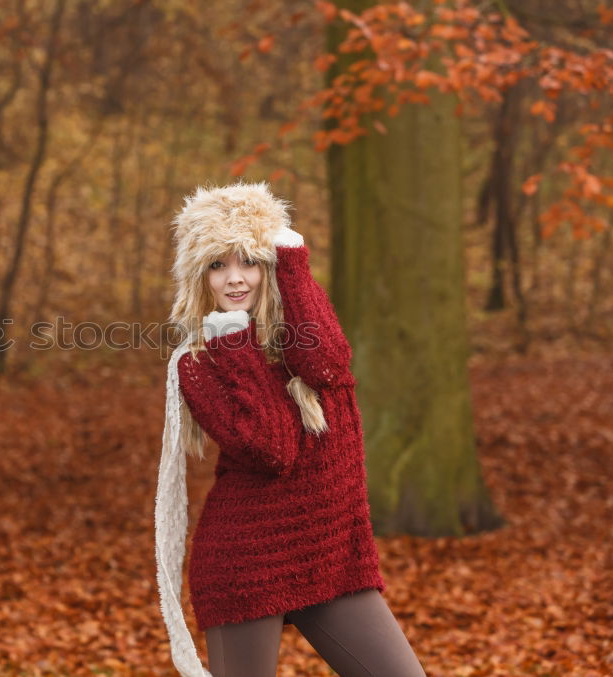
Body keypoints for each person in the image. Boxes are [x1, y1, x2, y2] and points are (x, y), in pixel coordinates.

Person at [154, 181, 426, 677]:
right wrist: (234, 344)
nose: (234, 279)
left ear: (272, 265)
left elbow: (329, 368)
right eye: (217, 265)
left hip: (331, 555)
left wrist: (294, 259)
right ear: (200, 278)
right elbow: (273, 447)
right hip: (250, 560)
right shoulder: (199, 362)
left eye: (249, 261)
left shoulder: (299, 335)